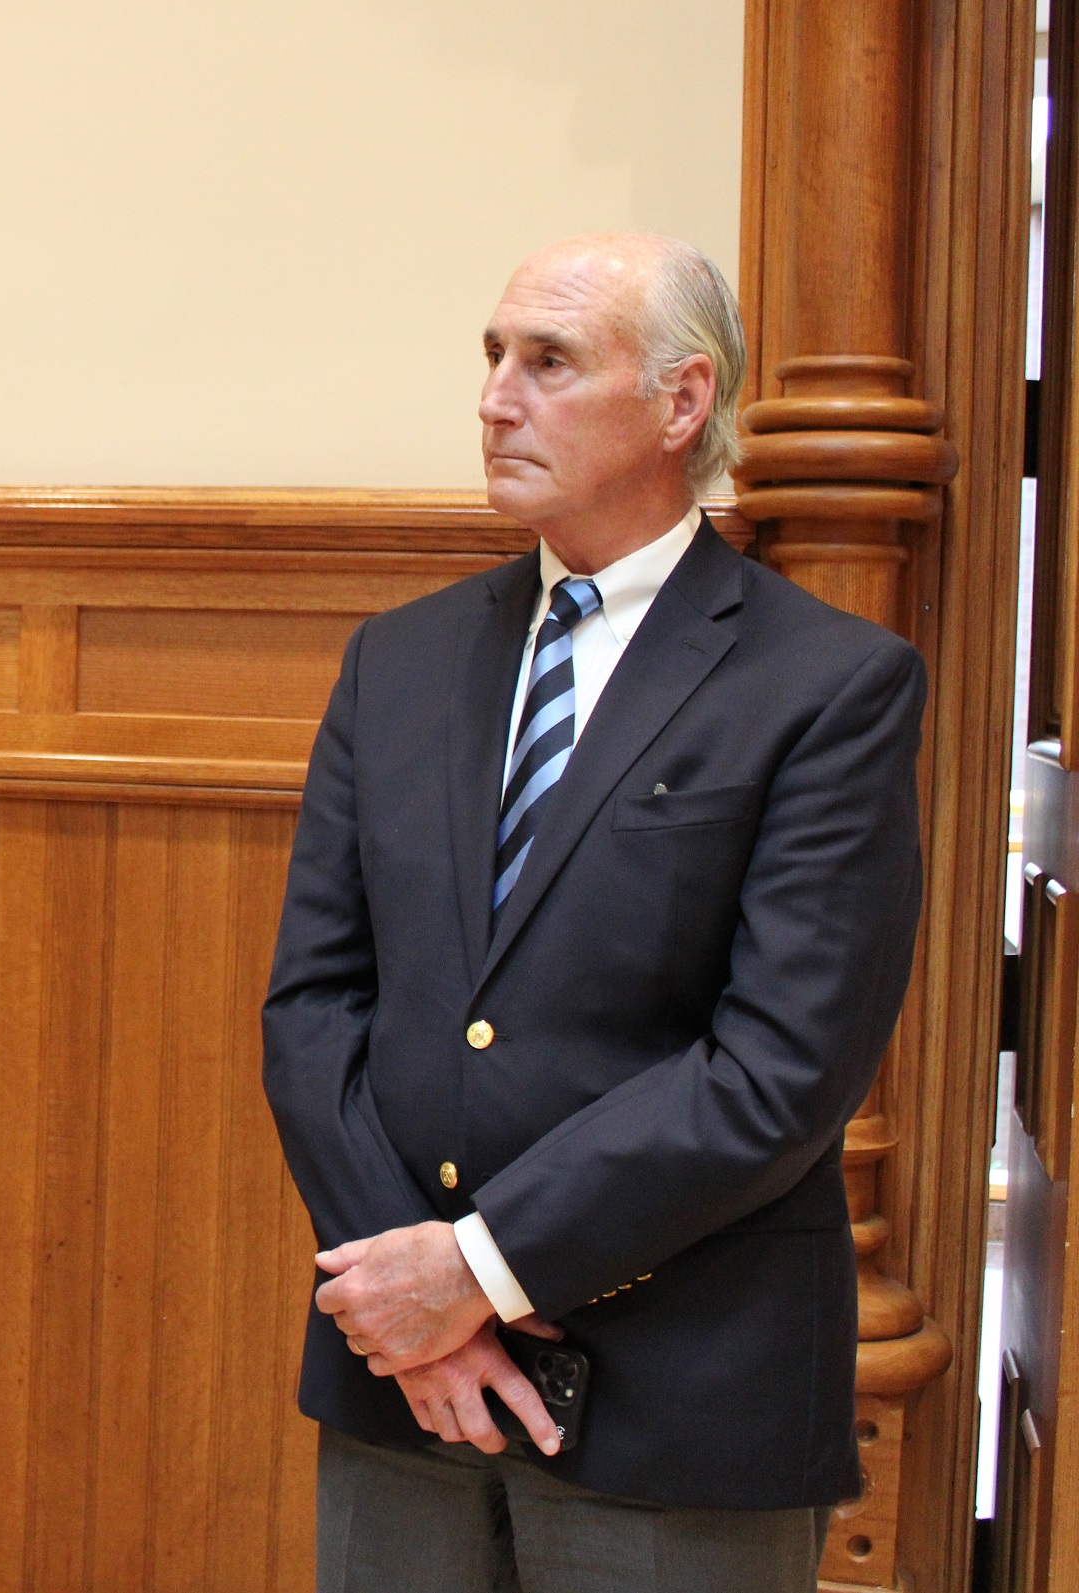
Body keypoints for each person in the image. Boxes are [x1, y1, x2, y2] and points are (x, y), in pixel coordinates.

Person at [261, 233, 925, 1592]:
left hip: (684, 1409)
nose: (498, 396)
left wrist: (479, 1272)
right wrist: (418, 1311)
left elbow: (780, 1069)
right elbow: (314, 1007)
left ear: (683, 402)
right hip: (406, 1391)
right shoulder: (401, 660)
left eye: (549, 361)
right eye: (493, 358)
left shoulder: (827, 686)